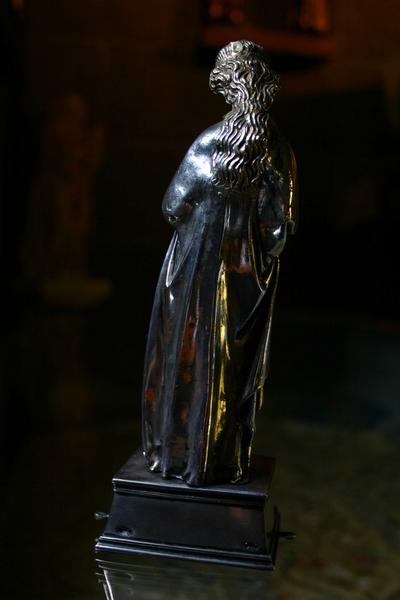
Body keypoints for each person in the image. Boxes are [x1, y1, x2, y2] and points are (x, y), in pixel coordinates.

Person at [142, 40, 297, 486]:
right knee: (232, 364)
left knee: (185, 356)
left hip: (194, 271)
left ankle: (178, 454)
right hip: (245, 278)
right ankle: (220, 457)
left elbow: (172, 205)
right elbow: (279, 229)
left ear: (230, 88)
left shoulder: (209, 142)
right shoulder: (278, 150)